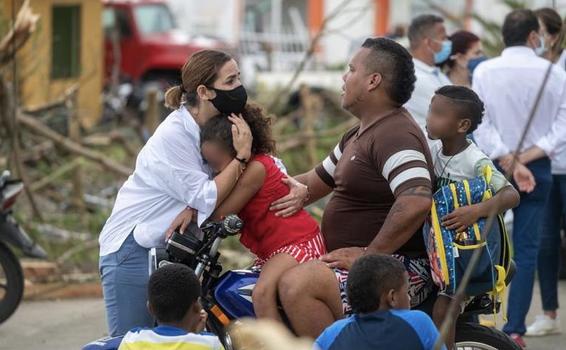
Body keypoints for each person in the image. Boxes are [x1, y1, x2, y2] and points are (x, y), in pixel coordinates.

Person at [272, 37, 436, 338]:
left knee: (298, 284)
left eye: (351, 70)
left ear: (373, 81)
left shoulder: (395, 134)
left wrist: (368, 256)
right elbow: (312, 182)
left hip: (396, 268)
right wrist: (248, 195)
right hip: (359, 262)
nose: (343, 78)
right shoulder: (359, 133)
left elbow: (416, 199)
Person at [98, 49, 255, 336]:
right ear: (205, 91)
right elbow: (208, 195)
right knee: (135, 342)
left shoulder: (214, 126)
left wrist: (193, 207)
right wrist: (241, 158)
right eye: (230, 81)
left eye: (238, 79)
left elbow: (207, 192)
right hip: (132, 250)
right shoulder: (174, 135)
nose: (239, 89)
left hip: (169, 253)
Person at [472, 9, 566, 347]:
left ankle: (477, 320)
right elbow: (561, 127)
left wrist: (511, 159)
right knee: (527, 249)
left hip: (495, 166)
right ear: (532, 37)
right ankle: (515, 329)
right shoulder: (554, 74)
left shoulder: (484, 70)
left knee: (485, 242)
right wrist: (526, 159)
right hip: (539, 168)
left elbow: (480, 125)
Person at [199, 103, 326, 321]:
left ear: (238, 150)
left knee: (260, 294)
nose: (217, 172)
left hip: (298, 243)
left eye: (218, 163)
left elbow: (219, 213)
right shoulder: (244, 170)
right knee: (237, 290)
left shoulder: (256, 168)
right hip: (276, 251)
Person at [425, 85, 521, 348]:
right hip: (442, 249)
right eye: (431, 111)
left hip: (464, 254)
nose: (429, 118)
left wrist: (475, 211)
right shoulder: (434, 152)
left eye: (438, 113)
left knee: (444, 310)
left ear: (462, 125)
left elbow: (511, 195)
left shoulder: (475, 160)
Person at [526, 7, 566, 337]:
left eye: (539, 31)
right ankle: (549, 312)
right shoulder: (532, 70)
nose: (534, 37)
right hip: (543, 165)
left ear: (552, 35)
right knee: (546, 241)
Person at [315, 254, 445, 350]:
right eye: (406, 292)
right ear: (392, 297)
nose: (409, 298)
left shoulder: (332, 333)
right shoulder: (418, 322)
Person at [118, 263, 223, 350]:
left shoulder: (132, 340)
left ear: (150, 308)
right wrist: (195, 335)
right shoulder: (210, 345)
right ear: (196, 307)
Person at [404, 14, 452, 131]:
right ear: (429, 42)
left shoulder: (436, 74)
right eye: (443, 38)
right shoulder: (414, 78)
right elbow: (453, 115)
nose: (448, 43)